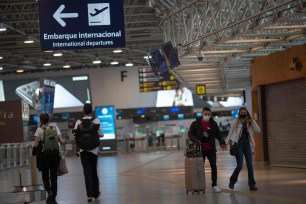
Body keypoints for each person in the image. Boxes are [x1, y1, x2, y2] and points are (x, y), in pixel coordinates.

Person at [188, 107, 227, 193]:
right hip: (200, 149)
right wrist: (196, 140)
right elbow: (190, 133)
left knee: (214, 166)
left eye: (208, 114)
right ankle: (199, 185)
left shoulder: (213, 123)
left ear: (211, 114)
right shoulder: (195, 123)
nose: (207, 116)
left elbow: (218, 134)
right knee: (199, 167)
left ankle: (214, 185)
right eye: (205, 114)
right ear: (202, 113)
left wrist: (222, 142)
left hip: (211, 149)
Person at [225, 107, 261, 191]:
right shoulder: (235, 121)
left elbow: (258, 130)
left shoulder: (250, 122)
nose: (243, 113)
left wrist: (252, 121)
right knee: (240, 165)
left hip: (247, 145)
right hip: (238, 145)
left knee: (250, 166)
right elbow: (230, 133)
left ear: (247, 113)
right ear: (239, 113)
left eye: (245, 112)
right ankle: (232, 182)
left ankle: (252, 184)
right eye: (242, 112)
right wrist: (225, 144)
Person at [74, 103, 103, 202]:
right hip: (94, 150)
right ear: (91, 111)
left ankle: (89, 195)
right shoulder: (96, 120)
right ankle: (96, 193)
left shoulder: (78, 122)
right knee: (94, 170)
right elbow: (101, 134)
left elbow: (75, 136)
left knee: (87, 172)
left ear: (83, 111)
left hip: (83, 150)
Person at [34, 113, 66, 204]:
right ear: (49, 120)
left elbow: (36, 145)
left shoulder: (39, 130)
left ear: (41, 120)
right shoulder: (55, 128)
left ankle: (49, 192)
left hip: (45, 155)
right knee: (54, 177)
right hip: (55, 155)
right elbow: (62, 141)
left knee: (45, 176)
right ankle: (54, 198)